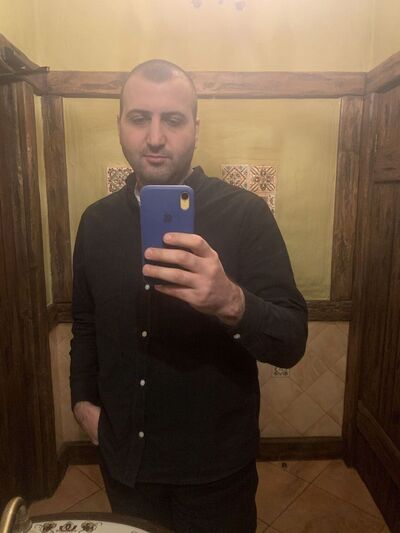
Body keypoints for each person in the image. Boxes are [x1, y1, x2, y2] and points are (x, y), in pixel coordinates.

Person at [70, 59, 308, 533]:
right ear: (119, 124)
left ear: (196, 129)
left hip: (216, 473)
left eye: (173, 120)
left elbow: (292, 341)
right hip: (126, 465)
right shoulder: (95, 223)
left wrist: (230, 301)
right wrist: (82, 402)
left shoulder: (246, 215)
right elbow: (86, 324)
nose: (155, 137)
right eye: (140, 118)